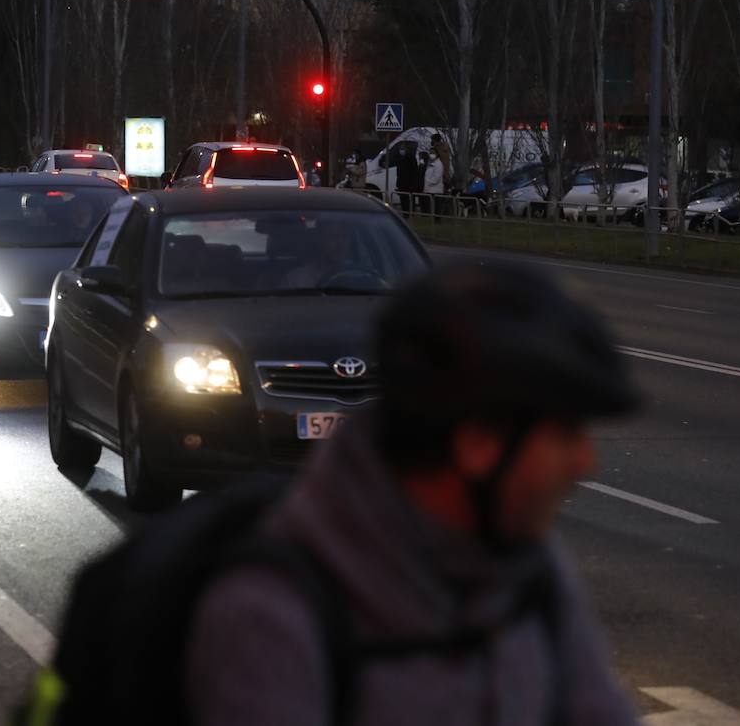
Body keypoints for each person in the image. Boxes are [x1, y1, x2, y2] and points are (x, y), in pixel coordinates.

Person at [183, 263, 642, 726]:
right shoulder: (272, 616)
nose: (586, 462)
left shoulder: (531, 574)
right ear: (479, 441)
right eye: (565, 434)